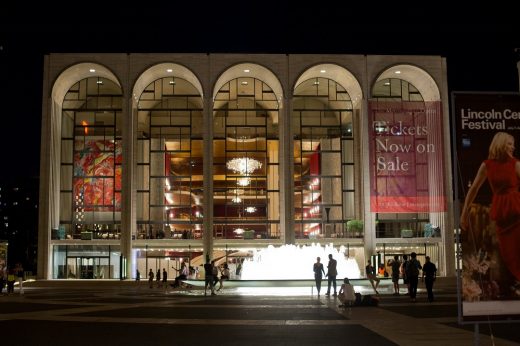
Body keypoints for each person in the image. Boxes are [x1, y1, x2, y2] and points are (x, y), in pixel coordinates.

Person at [460, 132, 520, 281]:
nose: (513, 147)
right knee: (507, 253)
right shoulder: (487, 165)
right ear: (500, 144)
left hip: (517, 210)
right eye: (509, 144)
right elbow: (473, 189)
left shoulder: (515, 164)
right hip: (501, 212)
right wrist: (464, 213)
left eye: (513, 144)